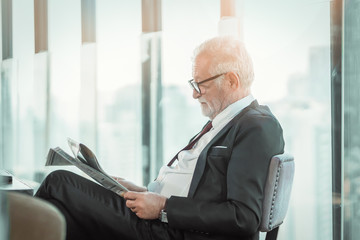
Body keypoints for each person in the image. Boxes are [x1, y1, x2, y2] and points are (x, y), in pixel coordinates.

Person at [35, 36, 284, 240]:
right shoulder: (223, 122)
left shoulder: (257, 127)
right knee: (67, 212)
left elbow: (243, 217)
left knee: (58, 184)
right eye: (193, 84)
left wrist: (163, 207)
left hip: (175, 230)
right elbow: (197, 188)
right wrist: (144, 191)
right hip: (167, 221)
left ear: (231, 80)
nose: (195, 95)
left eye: (201, 85)